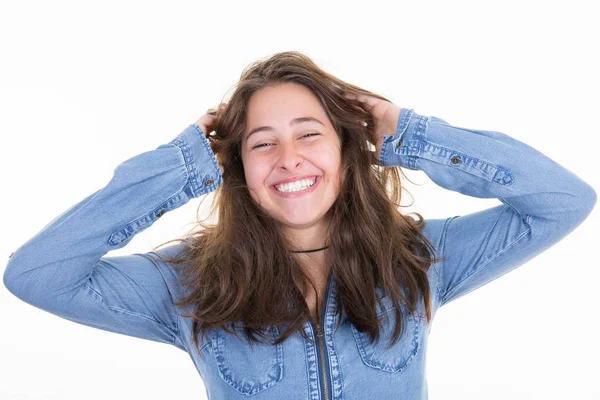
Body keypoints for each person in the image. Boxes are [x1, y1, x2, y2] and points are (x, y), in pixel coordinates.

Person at [3, 51, 596, 399]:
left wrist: (412, 133)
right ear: (234, 167)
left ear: (347, 148)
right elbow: (36, 275)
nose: (289, 158)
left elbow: (563, 199)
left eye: (309, 134)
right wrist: (177, 168)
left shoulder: (420, 257)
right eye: (263, 144)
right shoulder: (187, 283)